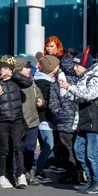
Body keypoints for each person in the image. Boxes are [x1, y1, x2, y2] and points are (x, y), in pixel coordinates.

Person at [60, 48, 98, 195]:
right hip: (84, 120)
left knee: (92, 152)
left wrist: (69, 87)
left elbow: (89, 95)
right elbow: (79, 97)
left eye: (77, 65)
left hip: (94, 120)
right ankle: (90, 179)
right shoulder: (83, 78)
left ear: (85, 65)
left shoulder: (94, 78)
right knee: (79, 149)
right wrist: (67, 91)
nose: (74, 68)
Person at [0, 57, 31, 188]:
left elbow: (28, 82)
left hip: (17, 118)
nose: (6, 71)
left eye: (9, 69)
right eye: (4, 68)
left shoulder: (16, 80)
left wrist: (14, 75)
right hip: (2, 119)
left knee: (18, 147)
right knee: (4, 149)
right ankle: (2, 176)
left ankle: (20, 174)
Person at [49, 56, 81, 184]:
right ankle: (80, 172)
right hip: (79, 120)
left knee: (67, 148)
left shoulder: (57, 83)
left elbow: (53, 105)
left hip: (63, 121)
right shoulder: (81, 82)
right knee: (78, 147)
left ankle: (71, 174)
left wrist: (59, 117)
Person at [33, 53, 59, 183]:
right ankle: (38, 169)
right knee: (48, 145)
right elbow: (42, 103)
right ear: (52, 69)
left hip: (48, 119)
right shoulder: (43, 84)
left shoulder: (49, 82)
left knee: (49, 145)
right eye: (57, 65)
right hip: (44, 120)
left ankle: (45, 164)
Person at [17, 57, 41, 182]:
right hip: (21, 120)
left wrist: (40, 99)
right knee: (19, 147)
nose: (29, 70)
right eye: (26, 68)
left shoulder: (32, 80)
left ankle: (29, 170)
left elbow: (38, 91)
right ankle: (19, 171)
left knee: (30, 147)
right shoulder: (15, 83)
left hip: (33, 119)